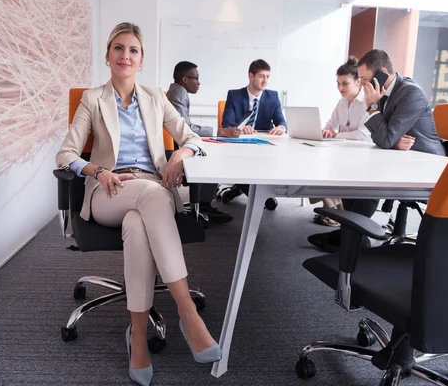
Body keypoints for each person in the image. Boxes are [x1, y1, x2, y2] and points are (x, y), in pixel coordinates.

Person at [56, 23, 221, 386]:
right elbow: (66, 153)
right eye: (118, 48)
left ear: (141, 59)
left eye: (133, 50)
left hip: (149, 189)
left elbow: (192, 136)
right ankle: (188, 313)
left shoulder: (155, 97)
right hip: (108, 190)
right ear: (108, 56)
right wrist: (97, 171)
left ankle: (137, 338)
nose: (125, 55)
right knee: (150, 197)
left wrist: (180, 154)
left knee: (137, 222)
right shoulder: (92, 98)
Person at [308, 49, 445, 253]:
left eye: (364, 78)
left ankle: (352, 237)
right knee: (352, 172)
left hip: (425, 163)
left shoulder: (410, 93)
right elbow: (380, 136)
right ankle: (352, 234)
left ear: (381, 72)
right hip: (400, 155)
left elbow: (385, 137)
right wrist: (392, 141)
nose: (362, 83)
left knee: (366, 175)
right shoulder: (383, 92)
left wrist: (372, 108)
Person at [166, 61, 235, 224]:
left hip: (177, 145)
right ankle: (203, 206)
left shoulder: (178, 91)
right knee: (214, 156)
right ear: (184, 79)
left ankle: (203, 202)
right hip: (177, 150)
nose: (199, 82)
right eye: (196, 78)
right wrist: (218, 131)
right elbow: (186, 127)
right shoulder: (178, 93)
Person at [312, 57, 372, 227]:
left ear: (358, 82)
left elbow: (362, 135)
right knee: (316, 163)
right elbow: (331, 124)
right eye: (338, 83)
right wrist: (326, 131)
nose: (340, 88)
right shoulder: (342, 102)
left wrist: (335, 134)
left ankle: (336, 212)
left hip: (362, 154)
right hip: (343, 150)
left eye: (345, 83)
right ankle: (335, 210)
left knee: (327, 168)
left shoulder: (367, 103)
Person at [218, 59, 287, 204]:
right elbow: (227, 122)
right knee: (242, 163)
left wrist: (281, 127)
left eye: (268, 77)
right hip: (239, 145)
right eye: (261, 76)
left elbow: (281, 120)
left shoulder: (272, 97)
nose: (265, 81)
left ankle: (240, 188)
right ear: (251, 76)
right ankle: (258, 197)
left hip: (263, 146)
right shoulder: (235, 95)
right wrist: (241, 128)